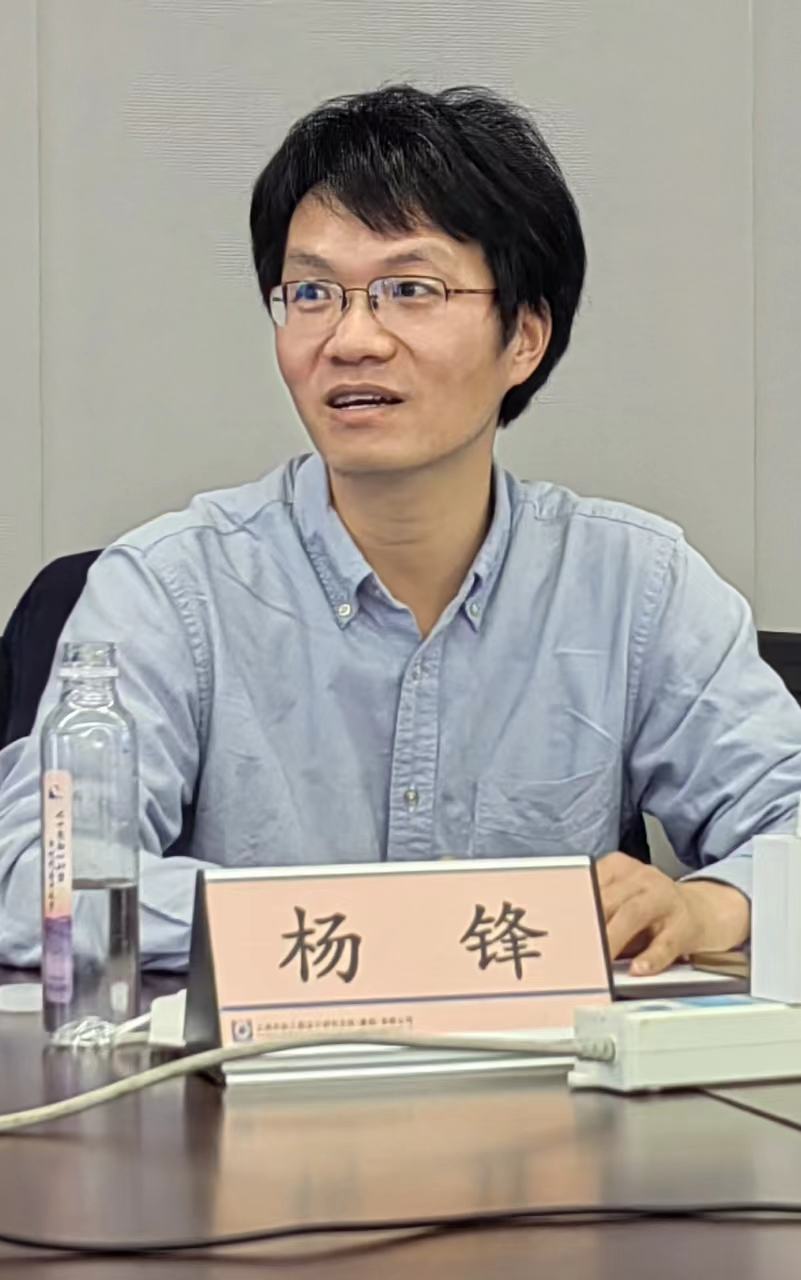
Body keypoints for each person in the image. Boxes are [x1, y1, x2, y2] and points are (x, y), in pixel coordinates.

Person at [1, 84, 800, 976]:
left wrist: (704, 905)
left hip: (539, 1064)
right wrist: (367, 930)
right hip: (260, 1066)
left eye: (409, 290)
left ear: (524, 335)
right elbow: (41, 883)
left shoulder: (633, 587)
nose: (352, 339)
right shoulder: (166, 588)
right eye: (311, 292)